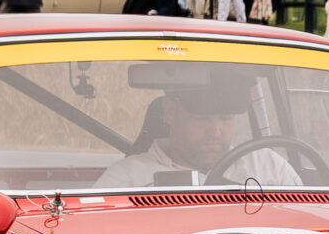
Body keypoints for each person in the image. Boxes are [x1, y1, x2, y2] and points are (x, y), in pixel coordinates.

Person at [88, 76, 301, 190]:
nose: (215, 131)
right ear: (169, 112)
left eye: (225, 118)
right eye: (201, 118)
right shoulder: (128, 179)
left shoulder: (269, 167)